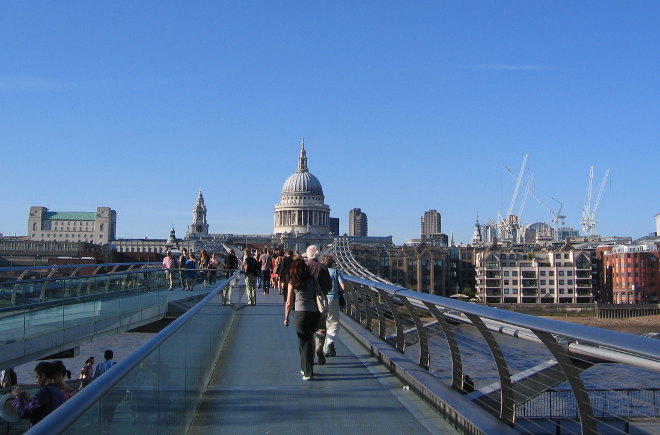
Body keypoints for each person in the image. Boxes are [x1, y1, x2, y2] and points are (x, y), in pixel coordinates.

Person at [283, 258, 320, 381]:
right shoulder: (312, 280)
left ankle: (308, 371)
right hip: (313, 312)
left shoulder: (292, 281)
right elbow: (316, 297)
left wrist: (286, 317)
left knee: (303, 342)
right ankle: (305, 367)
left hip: (300, 314)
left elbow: (289, 302)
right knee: (309, 341)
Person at [12, 362, 66, 428]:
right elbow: (43, 408)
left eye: (37, 377)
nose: (36, 381)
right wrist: (28, 400)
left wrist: (17, 397)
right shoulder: (58, 392)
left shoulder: (45, 392)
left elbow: (23, 413)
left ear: (43, 375)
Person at [305, 245, 332, 365]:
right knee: (321, 327)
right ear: (318, 254)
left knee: (307, 329)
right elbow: (329, 286)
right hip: (320, 301)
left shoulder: (303, 267)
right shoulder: (323, 267)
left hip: (305, 302)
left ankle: (309, 354)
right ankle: (319, 348)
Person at [320, 255, 345, 358]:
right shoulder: (335, 272)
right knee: (334, 323)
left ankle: (325, 348)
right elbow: (343, 286)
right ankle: (329, 343)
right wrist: (338, 292)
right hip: (334, 299)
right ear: (332, 263)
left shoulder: (320, 272)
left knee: (325, 323)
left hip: (322, 299)